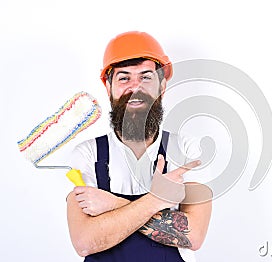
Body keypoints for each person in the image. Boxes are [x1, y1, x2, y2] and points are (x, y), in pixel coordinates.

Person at [66, 31, 213, 262]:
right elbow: (85, 242)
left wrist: (113, 205)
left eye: (146, 77)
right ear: (108, 88)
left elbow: (193, 236)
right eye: (124, 78)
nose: (135, 88)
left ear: (162, 86)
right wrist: (157, 201)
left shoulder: (186, 150)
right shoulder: (87, 155)